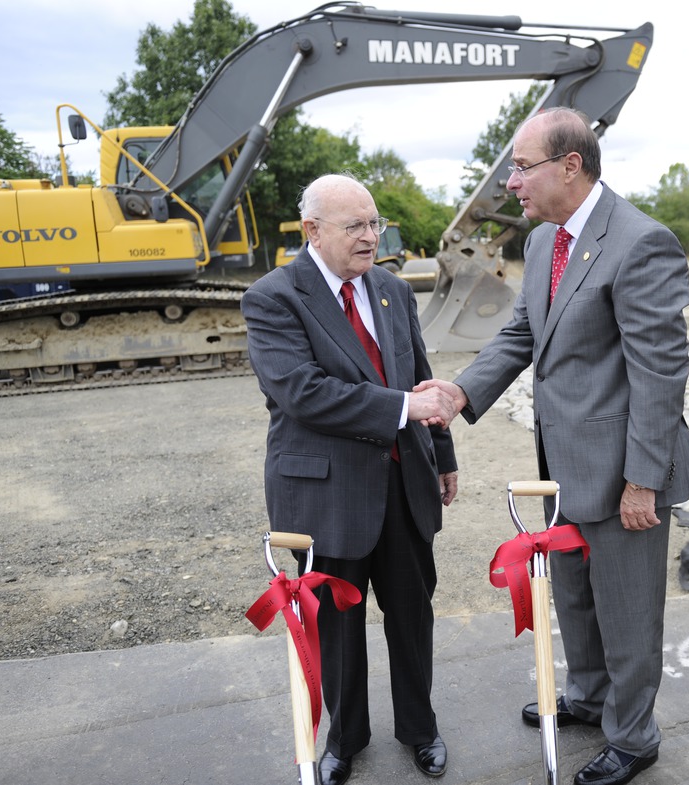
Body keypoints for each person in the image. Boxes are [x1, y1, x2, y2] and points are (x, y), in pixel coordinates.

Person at [416, 108, 689, 785]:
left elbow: (661, 373)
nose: (511, 181)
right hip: (564, 463)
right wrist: (460, 394)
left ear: (570, 165)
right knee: (574, 593)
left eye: (522, 166)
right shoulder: (546, 244)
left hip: (626, 470)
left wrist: (643, 480)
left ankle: (633, 737)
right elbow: (522, 334)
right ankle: (590, 697)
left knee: (629, 611)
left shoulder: (641, 243)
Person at [241, 173, 459, 785]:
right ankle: (346, 739)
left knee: (413, 613)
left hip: (403, 483)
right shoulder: (273, 297)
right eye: (355, 227)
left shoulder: (390, 288)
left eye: (375, 224)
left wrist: (441, 453)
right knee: (336, 625)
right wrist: (401, 410)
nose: (371, 238)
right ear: (312, 231)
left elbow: (419, 374)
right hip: (325, 492)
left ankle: (421, 728)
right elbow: (301, 393)